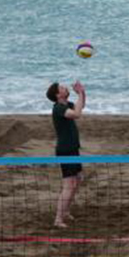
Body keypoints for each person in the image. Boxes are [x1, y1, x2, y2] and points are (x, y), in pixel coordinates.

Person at [46, 80, 86, 228]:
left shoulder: (65, 105)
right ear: (58, 95)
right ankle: (58, 220)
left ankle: (66, 211)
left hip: (73, 149)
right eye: (62, 88)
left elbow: (80, 107)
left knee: (77, 180)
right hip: (65, 151)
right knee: (69, 185)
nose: (65, 88)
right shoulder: (58, 109)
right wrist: (80, 93)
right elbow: (76, 114)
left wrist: (82, 93)